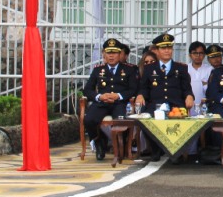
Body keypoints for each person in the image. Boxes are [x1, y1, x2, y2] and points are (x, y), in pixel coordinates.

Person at [135, 33, 195, 161]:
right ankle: (155, 150)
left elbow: (187, 88)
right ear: (156, 51)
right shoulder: (149, 68)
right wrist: (140, 95)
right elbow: (144, 88)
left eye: (169, 47)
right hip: (155, 105)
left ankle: (176, 152)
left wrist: (190, 96)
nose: (167, 50)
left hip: (175, 105)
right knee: (146, 120)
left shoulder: (181, 68)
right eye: (163, 48)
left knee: (179, 121)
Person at [82, 38, 139, 161]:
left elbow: (133, 89)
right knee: (89, 119)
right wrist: (99, 96)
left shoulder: (128, 69)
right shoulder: (98, 70)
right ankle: (99, 142)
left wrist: (119, 95)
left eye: (114, 53)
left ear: (120, 54)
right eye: (108, 53)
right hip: (102, 103)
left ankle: (121, 147)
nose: (111, 56)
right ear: (104, 54)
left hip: (120, 103)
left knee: (121, 121)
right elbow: (87, 90)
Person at [187, 41, 211, 113]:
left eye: (201, 53)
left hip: (205, 106)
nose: (198, 56)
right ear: (190, 55)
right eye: (195, 53)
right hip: (188, 106)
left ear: (204, 55)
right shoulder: (185, 69)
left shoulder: (210, 69)